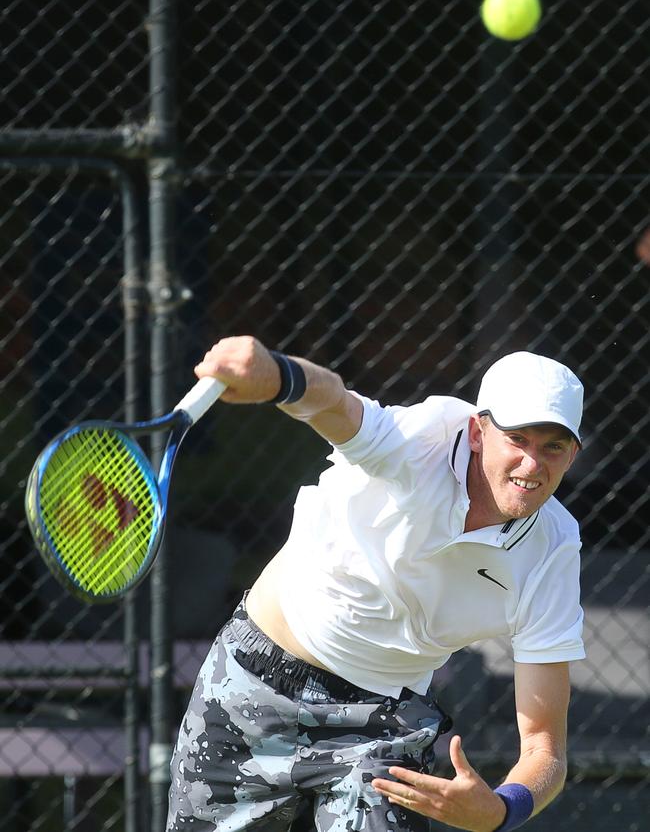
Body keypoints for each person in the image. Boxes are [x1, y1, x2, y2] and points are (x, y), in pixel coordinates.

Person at [166, 335, 585, 832]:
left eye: (552, 447)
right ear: (477, 432)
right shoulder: (417, 441)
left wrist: (502, 810)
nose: (532, 465)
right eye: (517, 439)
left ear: (573, 455)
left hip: (381, 726)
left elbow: (545, 749)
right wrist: (278, 375)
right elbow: (334, 401)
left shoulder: (553, 550)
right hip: (251, 684)